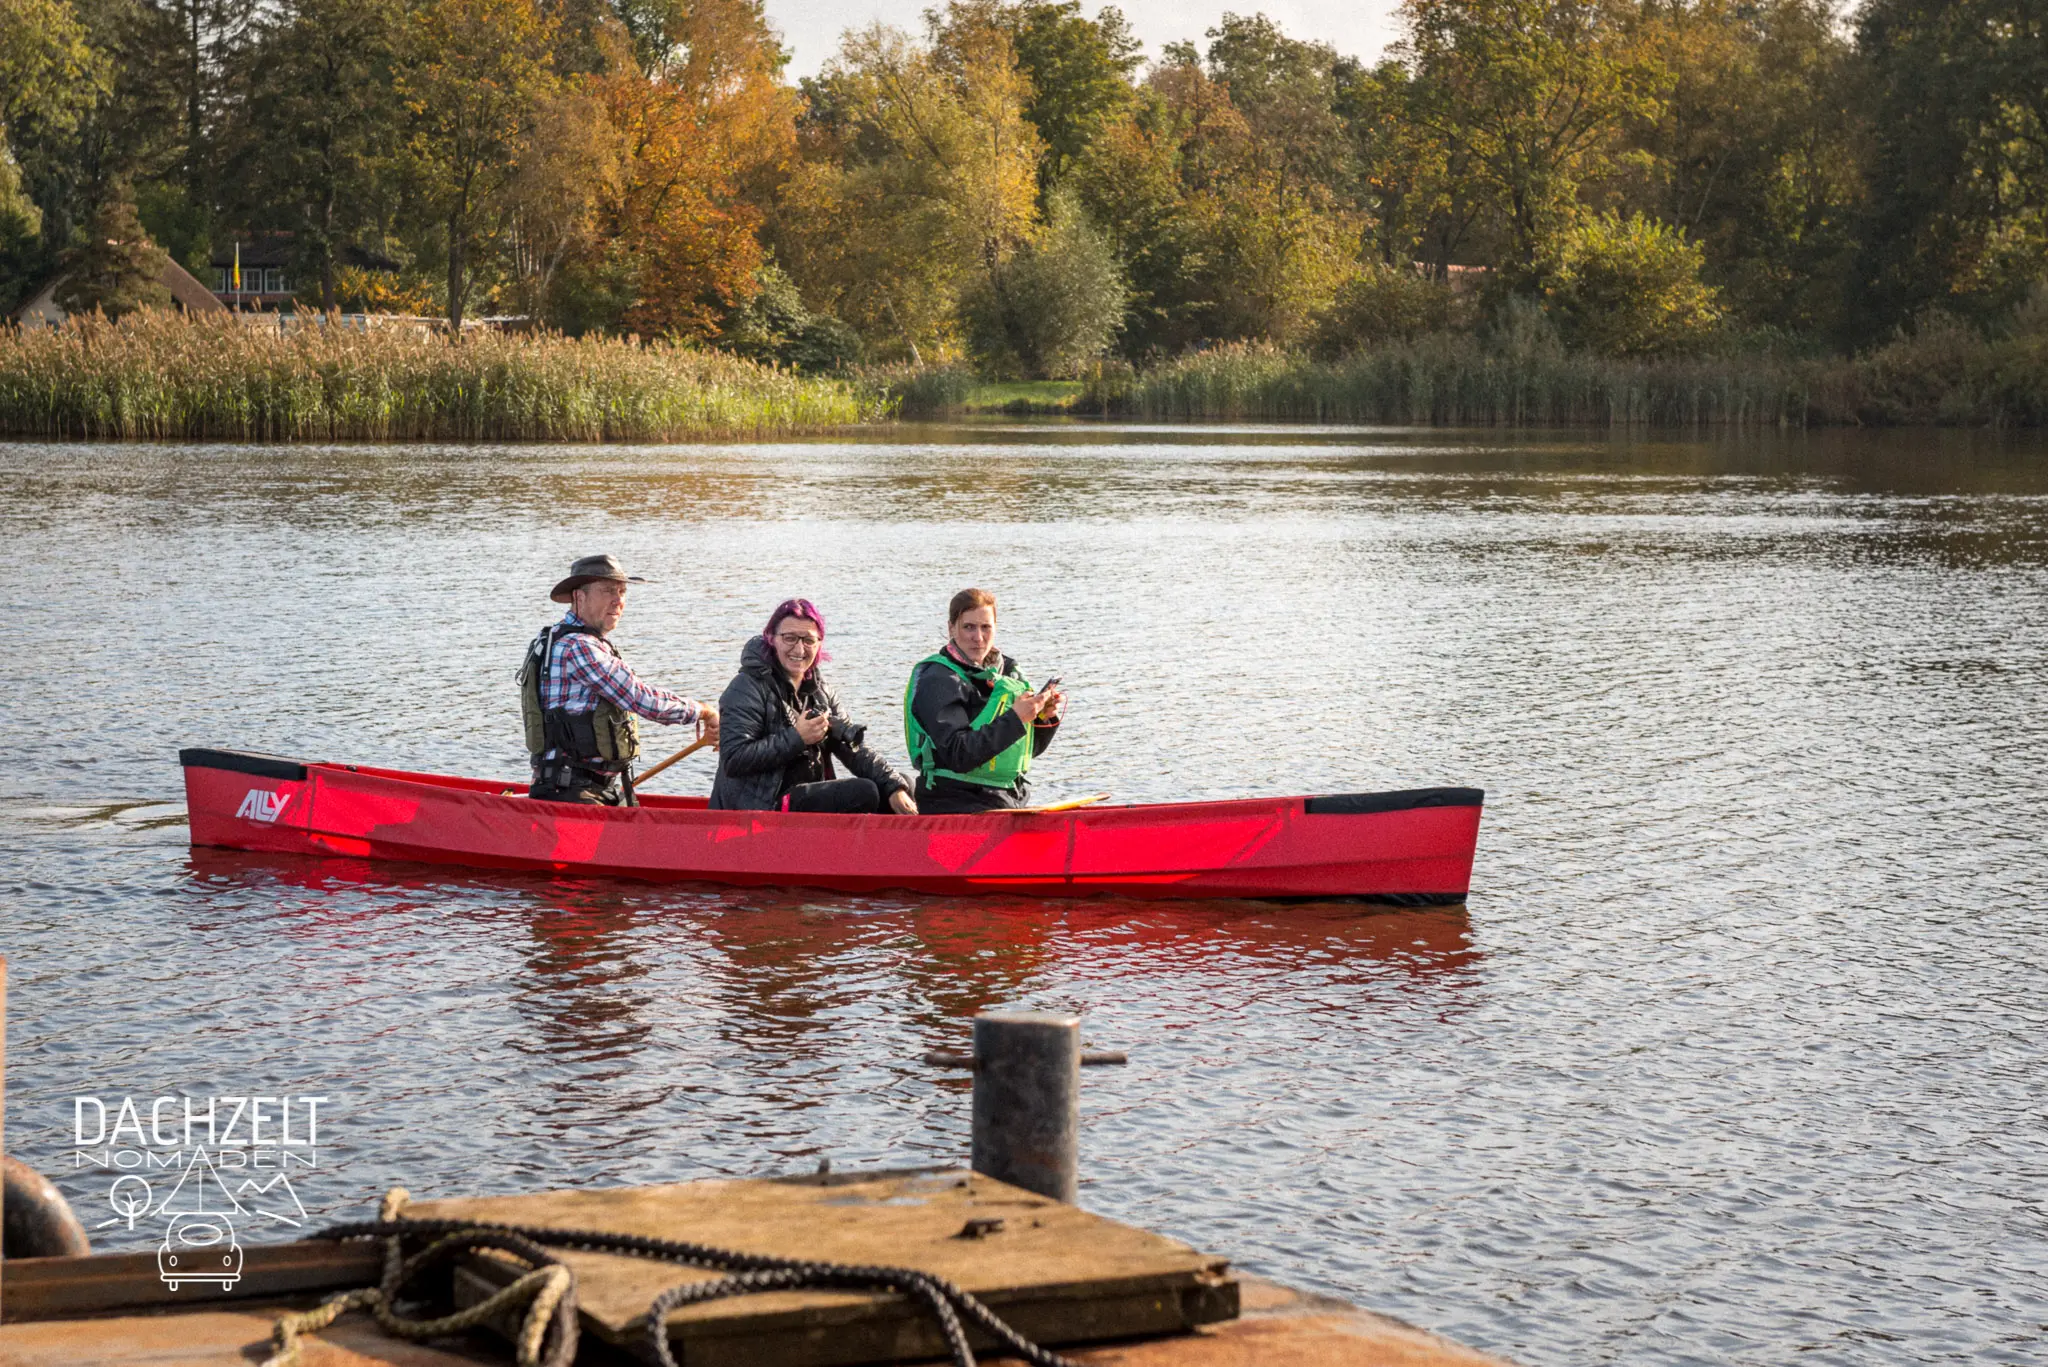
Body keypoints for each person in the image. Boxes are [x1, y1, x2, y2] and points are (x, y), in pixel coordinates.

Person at [519, 554, 718, 805]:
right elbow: (642, 699)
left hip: (581, 786)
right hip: (574, 793)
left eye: (622, 591)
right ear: (579, 597)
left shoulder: (553, 637)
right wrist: (703, 711)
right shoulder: (579, 647)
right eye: (608, 591)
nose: (618, 600)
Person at [709, 598, 918, 814]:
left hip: (802, 794)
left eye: (808, 640)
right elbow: (734, 759)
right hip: (759, 806)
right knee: (864, 792)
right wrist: (797, 738)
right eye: (789, 638)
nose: (799, 649)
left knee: (902, 785)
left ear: (819, 643)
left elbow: (854, 749)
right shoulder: (746, 687)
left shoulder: (821, 690)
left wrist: (893, 786)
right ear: (771, 639)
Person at [903, 588, 1064, 814]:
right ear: (951, 628)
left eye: (985, 627)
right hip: (954, 801)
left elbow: (1021, 751)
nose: (978, 637)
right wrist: (1016, 718)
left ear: (995, 628)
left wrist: (1042, 719)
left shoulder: (1008, 671)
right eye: (968, 627)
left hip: (1007, 798)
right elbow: (958, 755)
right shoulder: (938, 680)